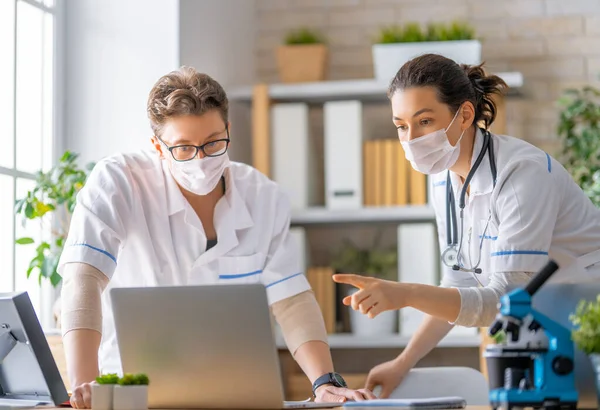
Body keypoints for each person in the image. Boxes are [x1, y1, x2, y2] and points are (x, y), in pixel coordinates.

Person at [59, 67, 375, 408]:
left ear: (228, 129)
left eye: (213, 143)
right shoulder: (118, 181)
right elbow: (84, 277)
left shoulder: (264, 197)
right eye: (183, 148)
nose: (200, 159)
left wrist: (325, 382)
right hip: (132, 394)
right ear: (157, 146)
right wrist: (85, 385)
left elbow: (291, 299)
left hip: (233, 394)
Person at [333, 53, 600, 398]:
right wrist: (403, 363)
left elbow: (505, 300)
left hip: (587, 326)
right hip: (543, 334)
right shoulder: (443, 181)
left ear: (465, 115)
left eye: (424, 121)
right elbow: (458, 282)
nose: (411, 139)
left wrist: (407, 294)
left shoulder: (522, 174)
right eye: (401, 126)